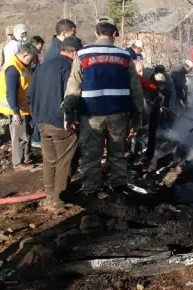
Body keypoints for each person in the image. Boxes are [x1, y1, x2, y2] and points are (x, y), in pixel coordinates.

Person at [62, 16, 145, 200]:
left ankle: (91, 189)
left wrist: (68, 112)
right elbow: (136, 89)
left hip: (91, 115)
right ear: (114, 34)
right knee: (117, 152)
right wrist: (138, 115)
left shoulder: (82, 55)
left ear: (96, 33)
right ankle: (118, 187)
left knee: (91, 154)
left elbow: (74, 86)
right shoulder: (124, 56)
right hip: (118, 114)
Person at [27, 36, 83, 211]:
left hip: (41, 121)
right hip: (61, 123)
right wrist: (73, 119)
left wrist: (36, 116)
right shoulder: (70, 68)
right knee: (64, 162)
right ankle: (58, 201)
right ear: (74, 52)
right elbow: (72, 96)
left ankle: (49, 196)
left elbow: (30, 95)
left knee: (49, 160)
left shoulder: (42, 67)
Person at [0, 43, 39, 171]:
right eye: (30, 59)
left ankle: (26, 158)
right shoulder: (13, 69)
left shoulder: (21, 65)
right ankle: (18, 163)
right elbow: (11, 93)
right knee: (19, 136)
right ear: (25, 55)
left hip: (23, 107)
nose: (31, 61)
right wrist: (16, 112)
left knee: (25, 134)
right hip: (17, 109)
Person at [28, 35, 46, 148]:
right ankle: (35, 138)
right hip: (32, 87)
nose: (40, 49)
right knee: (36, 112)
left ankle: (35, 136)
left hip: (35, 85)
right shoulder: (30, 56)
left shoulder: (36, 57)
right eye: (40, 46)